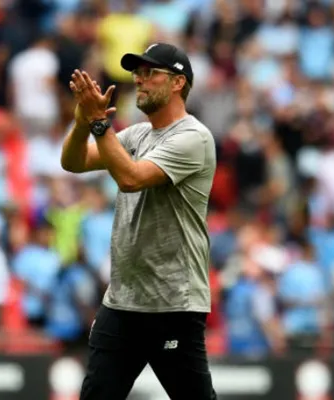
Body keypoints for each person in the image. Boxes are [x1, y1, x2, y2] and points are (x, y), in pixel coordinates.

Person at [61, 43, 217, 399]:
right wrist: (84, 120)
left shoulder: (193, 137)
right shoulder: (136, 134)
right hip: (122, 302)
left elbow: (130, 178)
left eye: (150, 73)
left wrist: (100, 124)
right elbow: (72, 162)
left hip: (172, 303)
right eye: (138, 73)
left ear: (178, 83)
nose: (139, 81)